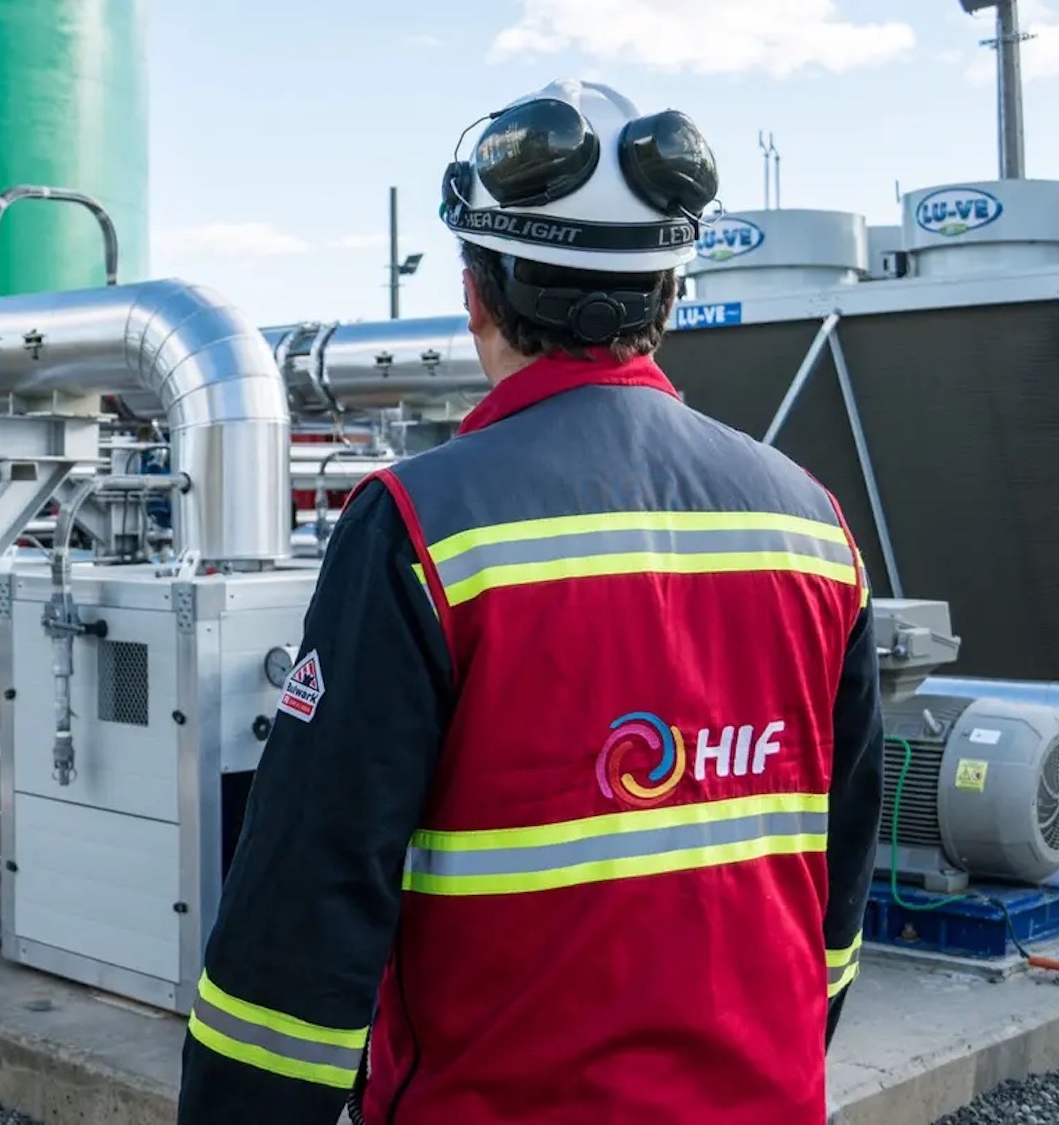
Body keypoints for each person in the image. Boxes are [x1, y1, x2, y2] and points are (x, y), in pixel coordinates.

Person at [175, 79, 883, 1125]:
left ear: (472, 295)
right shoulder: (812, 525)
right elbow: (840, 877)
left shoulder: (418, 526)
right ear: (669, 297)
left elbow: (306, 906)